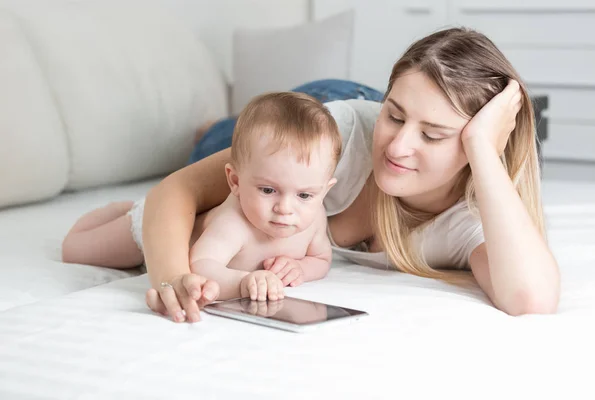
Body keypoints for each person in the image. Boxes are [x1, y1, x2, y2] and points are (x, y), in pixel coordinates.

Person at [141, 27, 560, 321]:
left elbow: (530, 298)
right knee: (212, 144)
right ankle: (214, 127)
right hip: (324, 105)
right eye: (394, 116)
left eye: (434, 136)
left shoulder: (471, 217)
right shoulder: (331, 139)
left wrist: (485, 149)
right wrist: (175, 280)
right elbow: (178, 190)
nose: (397, 148)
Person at [62, 92, 342, 322]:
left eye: (304, 195)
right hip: (157, 231)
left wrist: (300, 269)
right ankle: (120, 211)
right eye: (268, 190)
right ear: (234, 181)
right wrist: (244, 282)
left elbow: (320, 259)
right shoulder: (235, 222)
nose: (285, 208)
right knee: (74, 249)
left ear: (324, 191)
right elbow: (201, 265)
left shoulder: (314, 217)